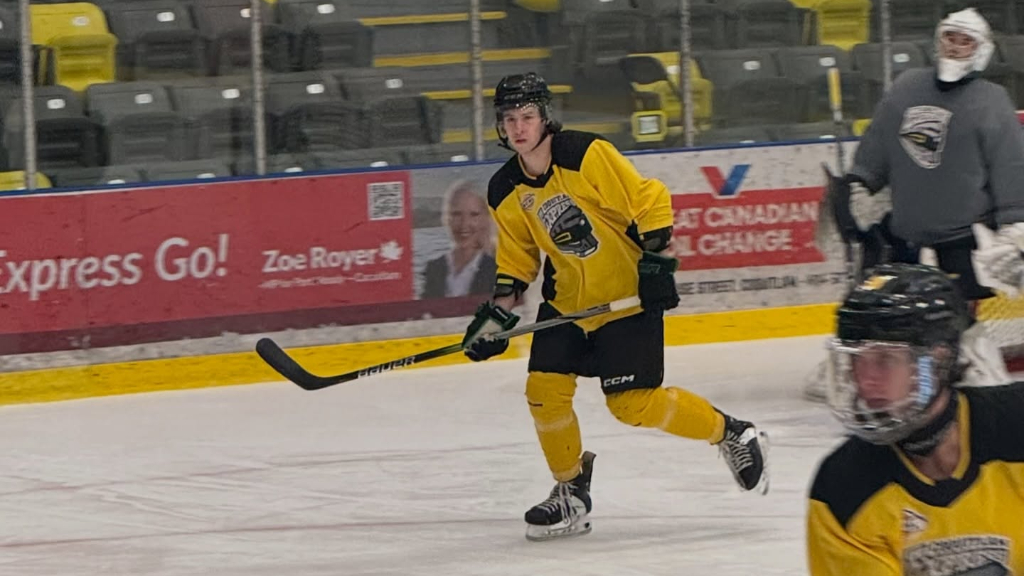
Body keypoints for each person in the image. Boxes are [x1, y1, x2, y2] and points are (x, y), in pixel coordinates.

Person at [459, 72, 769, 542]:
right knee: (543, 390)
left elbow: (650, 200)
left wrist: (659, 262)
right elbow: (519, 257)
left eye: (527, 116)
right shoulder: (505, 188)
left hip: (627, 298)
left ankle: (730, 433)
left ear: (545, 117)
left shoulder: (586, 156)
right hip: (568, 303)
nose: (519, 128)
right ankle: (571, 492)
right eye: (509, 119)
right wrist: (498, 313)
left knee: (631, 405)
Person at [805, 7, 1024, 402]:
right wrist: (856, 186)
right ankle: (864, 370)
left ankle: (966, 371)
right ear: (937, 40)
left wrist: (1015, 223)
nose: (955, 47)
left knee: (956, 324)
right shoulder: (907, 87)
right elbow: (878, 147)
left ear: (981, 50)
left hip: (962, 238)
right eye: (949, 37)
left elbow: (1009, 165)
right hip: (904, 233)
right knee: (879, 309)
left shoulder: (992, 100)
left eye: (965, 41)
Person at [806, 262, 1024, 576]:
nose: (866, 380)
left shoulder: (1015, 427)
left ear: (938, 359)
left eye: (885, 359)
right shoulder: (844, 488)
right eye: (856, 361)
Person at [420, 180, 498, 299]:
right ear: (447, 218)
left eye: (474, 215)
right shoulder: (434, 268)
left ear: (485, 219)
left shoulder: (498, 269)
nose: (464, 224)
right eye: (456, 214)